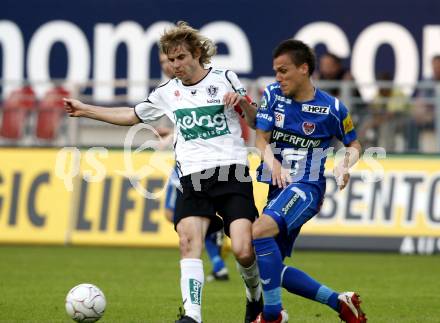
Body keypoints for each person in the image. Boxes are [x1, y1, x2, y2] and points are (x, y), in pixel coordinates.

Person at [64, 21, 263, 323]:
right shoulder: (167, 92)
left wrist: (243, 104)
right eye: (171, 60)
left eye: (181, 57)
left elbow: (256, 118)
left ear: (197, 53)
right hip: (192, 178)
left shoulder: (225, 78)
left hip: (231, 173)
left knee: (243, 250)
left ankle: (254, 297)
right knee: (188, 241)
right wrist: (85, 109)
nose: (175, 65)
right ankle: (192, 316)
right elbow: (131, 115)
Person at [251, 39, 367, 323]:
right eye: (276, 71)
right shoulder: (273, 95)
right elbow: (260, 138)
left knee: (259, 231)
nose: (278, 77)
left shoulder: (332, 108)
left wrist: (344, 164)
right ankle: (340, 302)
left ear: (304, 69)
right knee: (268, 264)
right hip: (276, 188)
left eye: (284, 71)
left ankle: (271, 315)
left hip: (306, 187)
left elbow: (354, 145)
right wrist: (274, 163)